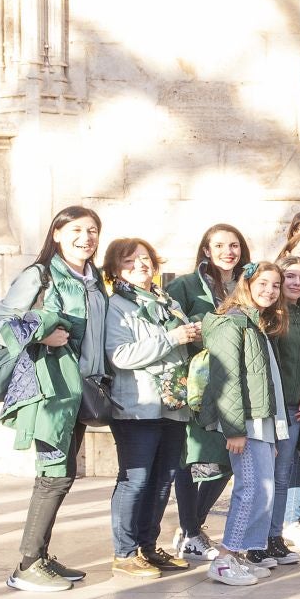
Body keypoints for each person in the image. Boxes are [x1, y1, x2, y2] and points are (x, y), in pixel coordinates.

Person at [102, 236, 199, 579]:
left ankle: (146, 546)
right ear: (115, 270)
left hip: (173, 403)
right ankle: (124, 553)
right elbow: (120, 356)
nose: (140, 265)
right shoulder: (117, 306)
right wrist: (173, 338)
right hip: (137, 405)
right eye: (129, 261)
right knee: (136, 479)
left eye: (144, 259)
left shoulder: (166, 301)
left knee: (162, 480)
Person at [199, 263, 288, 587]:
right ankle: (224, 558)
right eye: (263, 283)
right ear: (246, 284)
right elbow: (227, 378)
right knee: (249, 489)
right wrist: (235, 429)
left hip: (261, 423)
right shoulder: (232, 322)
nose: (269, 290)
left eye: (275, 285)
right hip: (245, 424)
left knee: (263, 491)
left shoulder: (255, 324)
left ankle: (239, 555)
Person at [165, 223, 249, 560]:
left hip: (237, 381)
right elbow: (170, 319)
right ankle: (190, 531)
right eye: (220, 246)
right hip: (199, 380)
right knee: (193, 455)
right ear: (206, 250)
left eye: (234, 245)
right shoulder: (187, 285)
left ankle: (192, 527)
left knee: (232, 455)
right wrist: (193, 333)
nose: (228, 251)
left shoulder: (247, 284)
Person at [254, 255, 300, 567]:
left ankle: (274, 537)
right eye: (289, 277)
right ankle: (256, 540)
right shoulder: (270, 316)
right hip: (268, 407)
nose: (295, 283)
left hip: (294, 407)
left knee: (281, 476)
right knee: (263, 476)